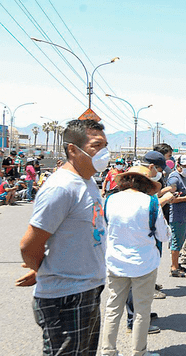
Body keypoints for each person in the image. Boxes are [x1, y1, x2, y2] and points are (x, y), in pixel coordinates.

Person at [16, 119, 109, 355]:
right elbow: (29, 245)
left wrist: (42, 268)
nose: (103, 152)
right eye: (96, 145)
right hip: (66, 296)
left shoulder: (86, 182)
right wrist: (43, 269)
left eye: (105, 145)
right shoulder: (62, 187)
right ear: (72, 149)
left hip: (86, 289)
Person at [101, 166, 171, 356]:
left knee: (113, 307)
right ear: (147, 184)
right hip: (143, 263)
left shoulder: (110, 199)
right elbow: (163, 235)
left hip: (115, 261)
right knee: (142, 309)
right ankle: (139, 352)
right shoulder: (151, 203)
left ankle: (108, 351)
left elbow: (103, 231)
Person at [167, 155, 186, 277]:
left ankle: (176, 264)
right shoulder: (175, 178)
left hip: (185, 216)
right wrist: (184, 199)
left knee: (180, 242)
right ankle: (174, 267)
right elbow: (169, 198)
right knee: (176, 241)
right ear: (178, 166)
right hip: (177, 216)